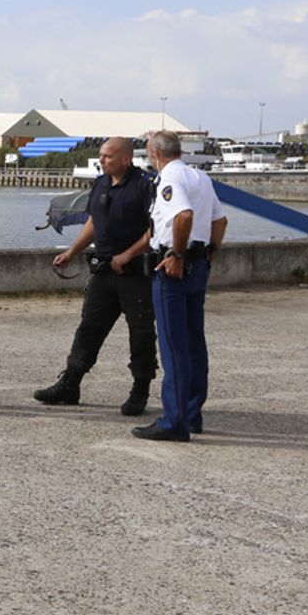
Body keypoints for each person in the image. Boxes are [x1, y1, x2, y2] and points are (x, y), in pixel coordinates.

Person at [34, 137, 157, 415]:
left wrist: (127, 255)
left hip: (134, 273)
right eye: (101, 156)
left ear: (125, 159)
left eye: (108, 157)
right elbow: (94, 222)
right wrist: (72, 251)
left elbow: (155, 229)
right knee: (89, 328)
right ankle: (70, 383)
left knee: (141, 333)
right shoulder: (101, 184)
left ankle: (140, 390)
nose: (102, 161)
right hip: (102, 271)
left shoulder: (144, 187)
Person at [133, 130, 228, 441]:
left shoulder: (170, 178)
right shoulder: (199, 177)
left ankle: (173, 422)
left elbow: (183, 214)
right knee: (193, 343)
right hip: (197, 265)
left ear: (155, 153)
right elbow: (220, 220)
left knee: (174, 346)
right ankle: (190, 414)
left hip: (173, 268)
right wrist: (209, 254)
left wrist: (176, 253)